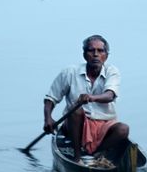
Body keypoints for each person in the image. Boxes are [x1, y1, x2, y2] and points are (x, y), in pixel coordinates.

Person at [43, 35, 129, 163]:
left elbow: (110, 95)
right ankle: (78, 157)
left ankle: (95, 154)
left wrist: (91, 97)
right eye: (91, 50)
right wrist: (48, 118)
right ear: (84, 54)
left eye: (100, 51)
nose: (96, 54)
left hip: (103, 124)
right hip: (75, 125)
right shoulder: (70, 72)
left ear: (106, 55)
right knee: (75, 110)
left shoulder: (112, 71)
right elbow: (51, 98)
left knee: (123, 129)